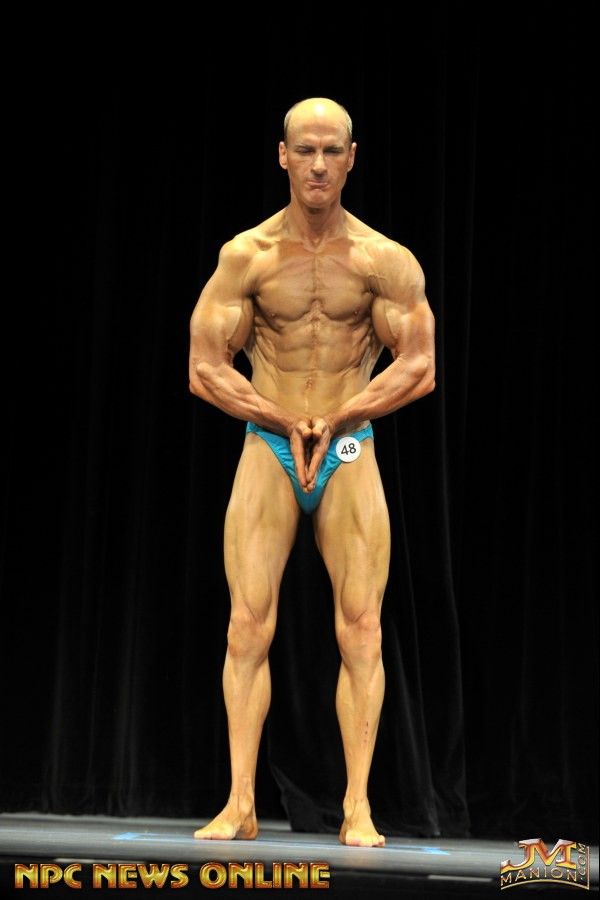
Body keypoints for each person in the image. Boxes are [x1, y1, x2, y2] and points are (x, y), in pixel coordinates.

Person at [188, 97, 435, 847]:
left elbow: (419, 365)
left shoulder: (384, 260)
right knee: (246, 625)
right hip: (269, 444)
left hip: (347, 446)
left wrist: (339, 416)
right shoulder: (248, 256)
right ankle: (240, 803)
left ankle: (357, 806)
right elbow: (204, 367)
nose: (319, 165)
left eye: (332, 151)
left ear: (352, 158)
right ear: (283, 156)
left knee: (362, 628)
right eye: (306, 150)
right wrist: (280, 417)